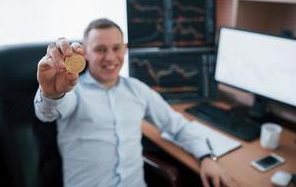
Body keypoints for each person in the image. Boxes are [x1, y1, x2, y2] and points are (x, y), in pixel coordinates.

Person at [34, 18, 238, 187]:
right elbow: (47, 112)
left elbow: (178, 125)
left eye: (116, 48)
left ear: (125, 49)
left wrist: (206, 157)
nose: (110, 57)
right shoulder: (72, 90)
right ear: (85, 52)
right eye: (100, 49)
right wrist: (51, 93)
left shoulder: (138, 90)